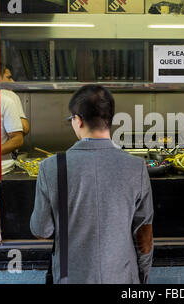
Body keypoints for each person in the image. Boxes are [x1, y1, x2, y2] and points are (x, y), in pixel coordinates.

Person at [30, 85, 154, 284]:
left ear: (78, 120)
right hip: (122, 277)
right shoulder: (136, 167)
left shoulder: (51, 167)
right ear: (110, 120)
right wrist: (142, 277)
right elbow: (144, 237)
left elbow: (41, 230)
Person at [0, 63, 30, 135]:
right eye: (9, 78)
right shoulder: (9, 95)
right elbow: (25, 128)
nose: (13, 82)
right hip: (6, 145)